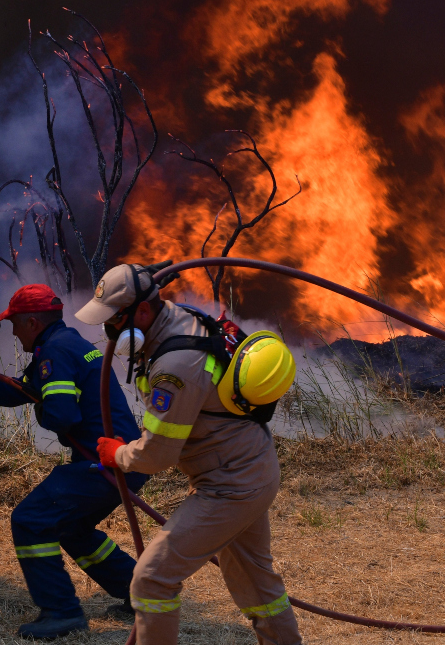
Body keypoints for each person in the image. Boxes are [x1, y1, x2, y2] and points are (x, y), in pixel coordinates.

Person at [78, 263, 301, 645]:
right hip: (249, 471)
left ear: (143, 312)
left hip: (232, 485)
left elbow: (159, 454)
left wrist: (119, 454)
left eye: (114, 320)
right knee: (256, 584)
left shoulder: (176, 365)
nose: (109, 331)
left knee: (151, 579)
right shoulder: (176, 321)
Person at [0, 284, 149, 639]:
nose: (14, 331)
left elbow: (61, 415)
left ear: (32, 322)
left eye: (14, 324)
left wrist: (43, 409)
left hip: (104, 463)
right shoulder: (68, 345)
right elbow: (18, 388)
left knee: (31, 519)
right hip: (121, 460)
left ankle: (62, 612)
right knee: (72, 528)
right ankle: (139, 593)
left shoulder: (54, 353)